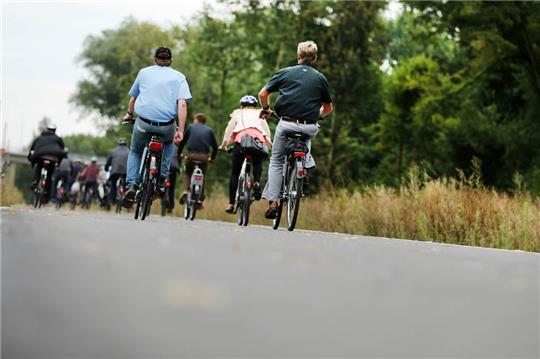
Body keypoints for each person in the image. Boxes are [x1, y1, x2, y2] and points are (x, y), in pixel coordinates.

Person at [258, 40, 334, 219]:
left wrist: (267, 109)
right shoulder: (320, 78)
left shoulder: (285, 73)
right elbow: (328, 107)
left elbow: (262, 94)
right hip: (309, 126)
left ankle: (273, 202)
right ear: (314, 58)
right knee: (308, 137)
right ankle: (304, 166)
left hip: (286, 124)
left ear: (298, 56)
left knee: (276, 160)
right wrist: (318, 116)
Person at [121, 46, 192, 208]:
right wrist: (180, 130)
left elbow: (133, 99)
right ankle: (161, 179)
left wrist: (129, 114)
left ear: (155, 60)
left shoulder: (144, 72)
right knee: (168, 145)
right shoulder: (179, 77)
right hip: (166, 126)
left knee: (136, 151)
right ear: (171, 61)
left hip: (143, 124)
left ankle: (132, 185)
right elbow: (182, 104)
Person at [219, 95, 272, 214]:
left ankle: (231, 204)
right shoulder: (260, 114)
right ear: (255, 106)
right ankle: (257, 182)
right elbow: (266, 134)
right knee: (257, 162)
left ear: (241, 105)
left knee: (235, 173)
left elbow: (229, 131)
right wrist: (270, 146)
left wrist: (223, 146)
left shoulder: (238, 113)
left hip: (241, 144)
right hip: (257, 143)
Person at [177, 113, 218, 209]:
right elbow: (215, 147)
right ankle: (199, 198)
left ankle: (185, 191)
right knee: (202, 175)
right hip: (204, 157)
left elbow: (183, 142)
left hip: (191, 155)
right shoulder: (209, 130)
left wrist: (179, 154)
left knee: (188, 173)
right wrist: (212, 158)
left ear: (197, 120)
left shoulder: (191, 127)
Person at [27, 123, 66, 203]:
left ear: (47, 129)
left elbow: (32, 149)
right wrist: (58, 163)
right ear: (55, 130)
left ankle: (36, 181)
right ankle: (46, 196)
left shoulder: (39, 138)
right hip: (53, 159)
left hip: (40, 157)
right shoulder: (58, 139)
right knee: (49, 177)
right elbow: (62, 151)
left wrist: (31, 159)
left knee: (39, 169)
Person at [105, 138, 129, 204]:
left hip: (115, 171)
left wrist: (106, 168)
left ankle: (112, 201)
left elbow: (108, 162)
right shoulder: (129, 151)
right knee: (126, 185)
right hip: (125, 172)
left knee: (113, 185)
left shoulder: (113, 151)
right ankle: (126, 199)